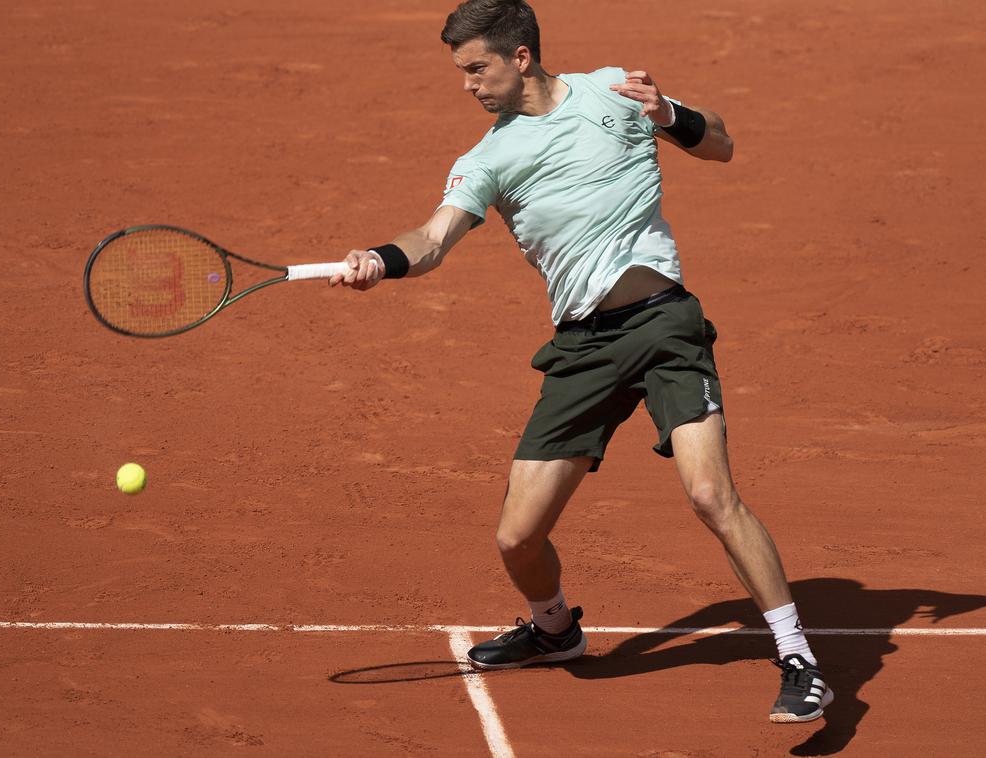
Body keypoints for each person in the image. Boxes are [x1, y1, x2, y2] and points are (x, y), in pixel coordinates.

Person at [330, 0, 832, 723]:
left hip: (664, 326)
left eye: (477, 68)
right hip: (583, 347)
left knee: (709, 494)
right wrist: (380, 258)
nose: (468, 85)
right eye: (461, 72)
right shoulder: (488, 159)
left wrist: (667, 116)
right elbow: (434, 240)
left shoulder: (614, 92)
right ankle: (555, 630)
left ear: (521, 56)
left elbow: (720, 143)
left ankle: (798, 658)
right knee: (517, 536)